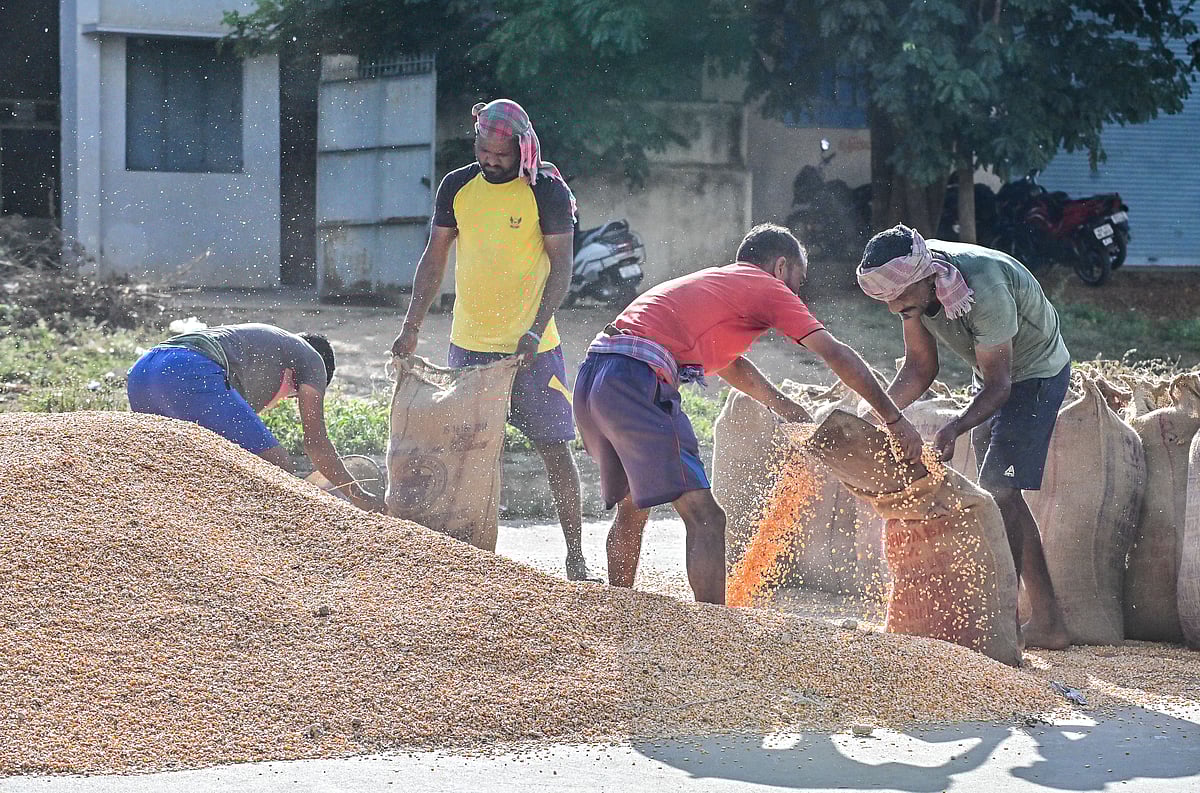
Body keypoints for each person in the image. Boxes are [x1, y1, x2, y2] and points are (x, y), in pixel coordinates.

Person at [573, 223, 924, 605]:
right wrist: (893, 419)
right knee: (707, 518)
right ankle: (716, 629)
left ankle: (619, 609)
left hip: (594, 379)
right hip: (634, 380)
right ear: (781, 266)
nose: (796, 293)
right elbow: (834, 352)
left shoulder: (718, 285)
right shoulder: (766, 286)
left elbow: (730, 363)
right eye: (797, 280)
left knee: (632, 507)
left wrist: (785, 406)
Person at [391, 99, 591, 580]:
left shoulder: (546, 191)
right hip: (469, 347)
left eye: (501, 155)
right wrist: (412, 326)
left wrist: (535, 329)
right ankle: (467, 558)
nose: (490, 160)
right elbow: (434, 258)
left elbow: (561, 268)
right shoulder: (457, 186)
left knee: (554, 449)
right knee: (464, 453)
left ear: (523, 150)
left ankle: (576, 556)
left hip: (533, 350)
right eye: (483, 150)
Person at [857, 224, 1072, 649]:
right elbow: (920, 367)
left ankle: (1006, 628)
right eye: (887, 300)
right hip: (992, 376)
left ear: (924, 276)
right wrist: (878, 414)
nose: (894, 307)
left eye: (899, 298)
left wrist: (954, 426)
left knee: (1000, 490)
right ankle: (1049, 623)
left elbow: (1000, 385)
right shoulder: (914, 289)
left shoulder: (983, 287)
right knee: (1004, 495)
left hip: (1035, 374)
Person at [127, 322, 385, 513]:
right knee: (277, 468)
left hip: (143, 371)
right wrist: (357, 494)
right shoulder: (313, 360)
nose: (290, 398)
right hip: (189, 368)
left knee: (182, 469)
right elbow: (316, 444)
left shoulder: (261, 351)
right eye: (295, 394)